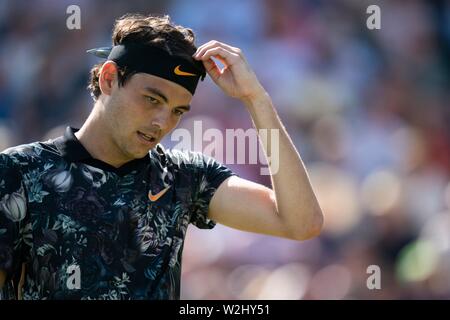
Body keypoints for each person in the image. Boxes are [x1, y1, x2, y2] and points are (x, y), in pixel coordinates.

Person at [0, 13, 323, 300]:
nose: (162, 122)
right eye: (152, 100)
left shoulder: (185, 177)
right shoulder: (18, 172)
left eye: (177, 111)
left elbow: (300, 223)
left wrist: (256, 99)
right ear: (109, 78)